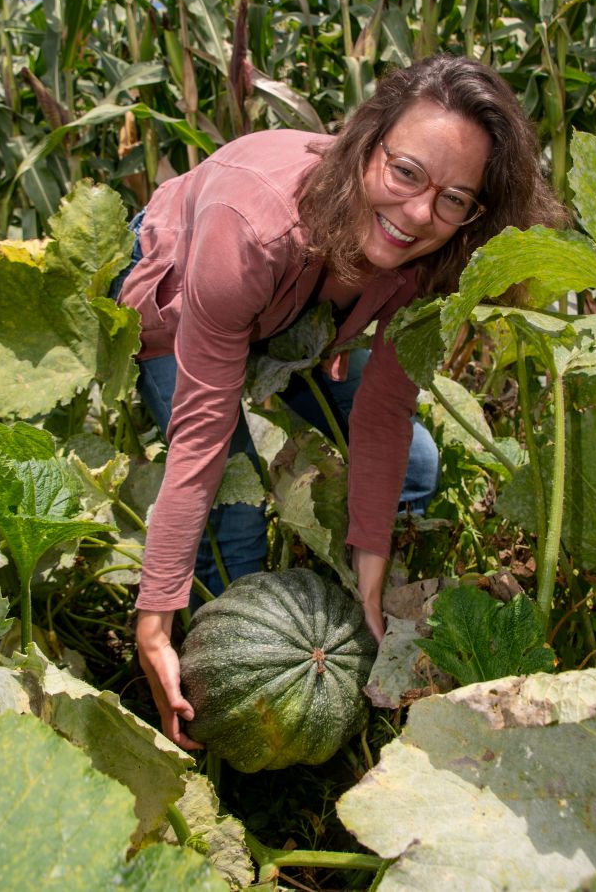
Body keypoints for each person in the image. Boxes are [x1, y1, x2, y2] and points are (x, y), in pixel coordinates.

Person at [116, 53, 567, 750]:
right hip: (184, 286)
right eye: (406, 172)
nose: (419, 212)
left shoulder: (432, 250)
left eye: (454, 198)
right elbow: (202, 435)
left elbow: (384, 413)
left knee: (414, 467)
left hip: (301, 304)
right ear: (365, 142)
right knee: (233, 522)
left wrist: (369, 573)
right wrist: (153, 616)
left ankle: (334, 620)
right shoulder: (249, 226)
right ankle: (230, 735)